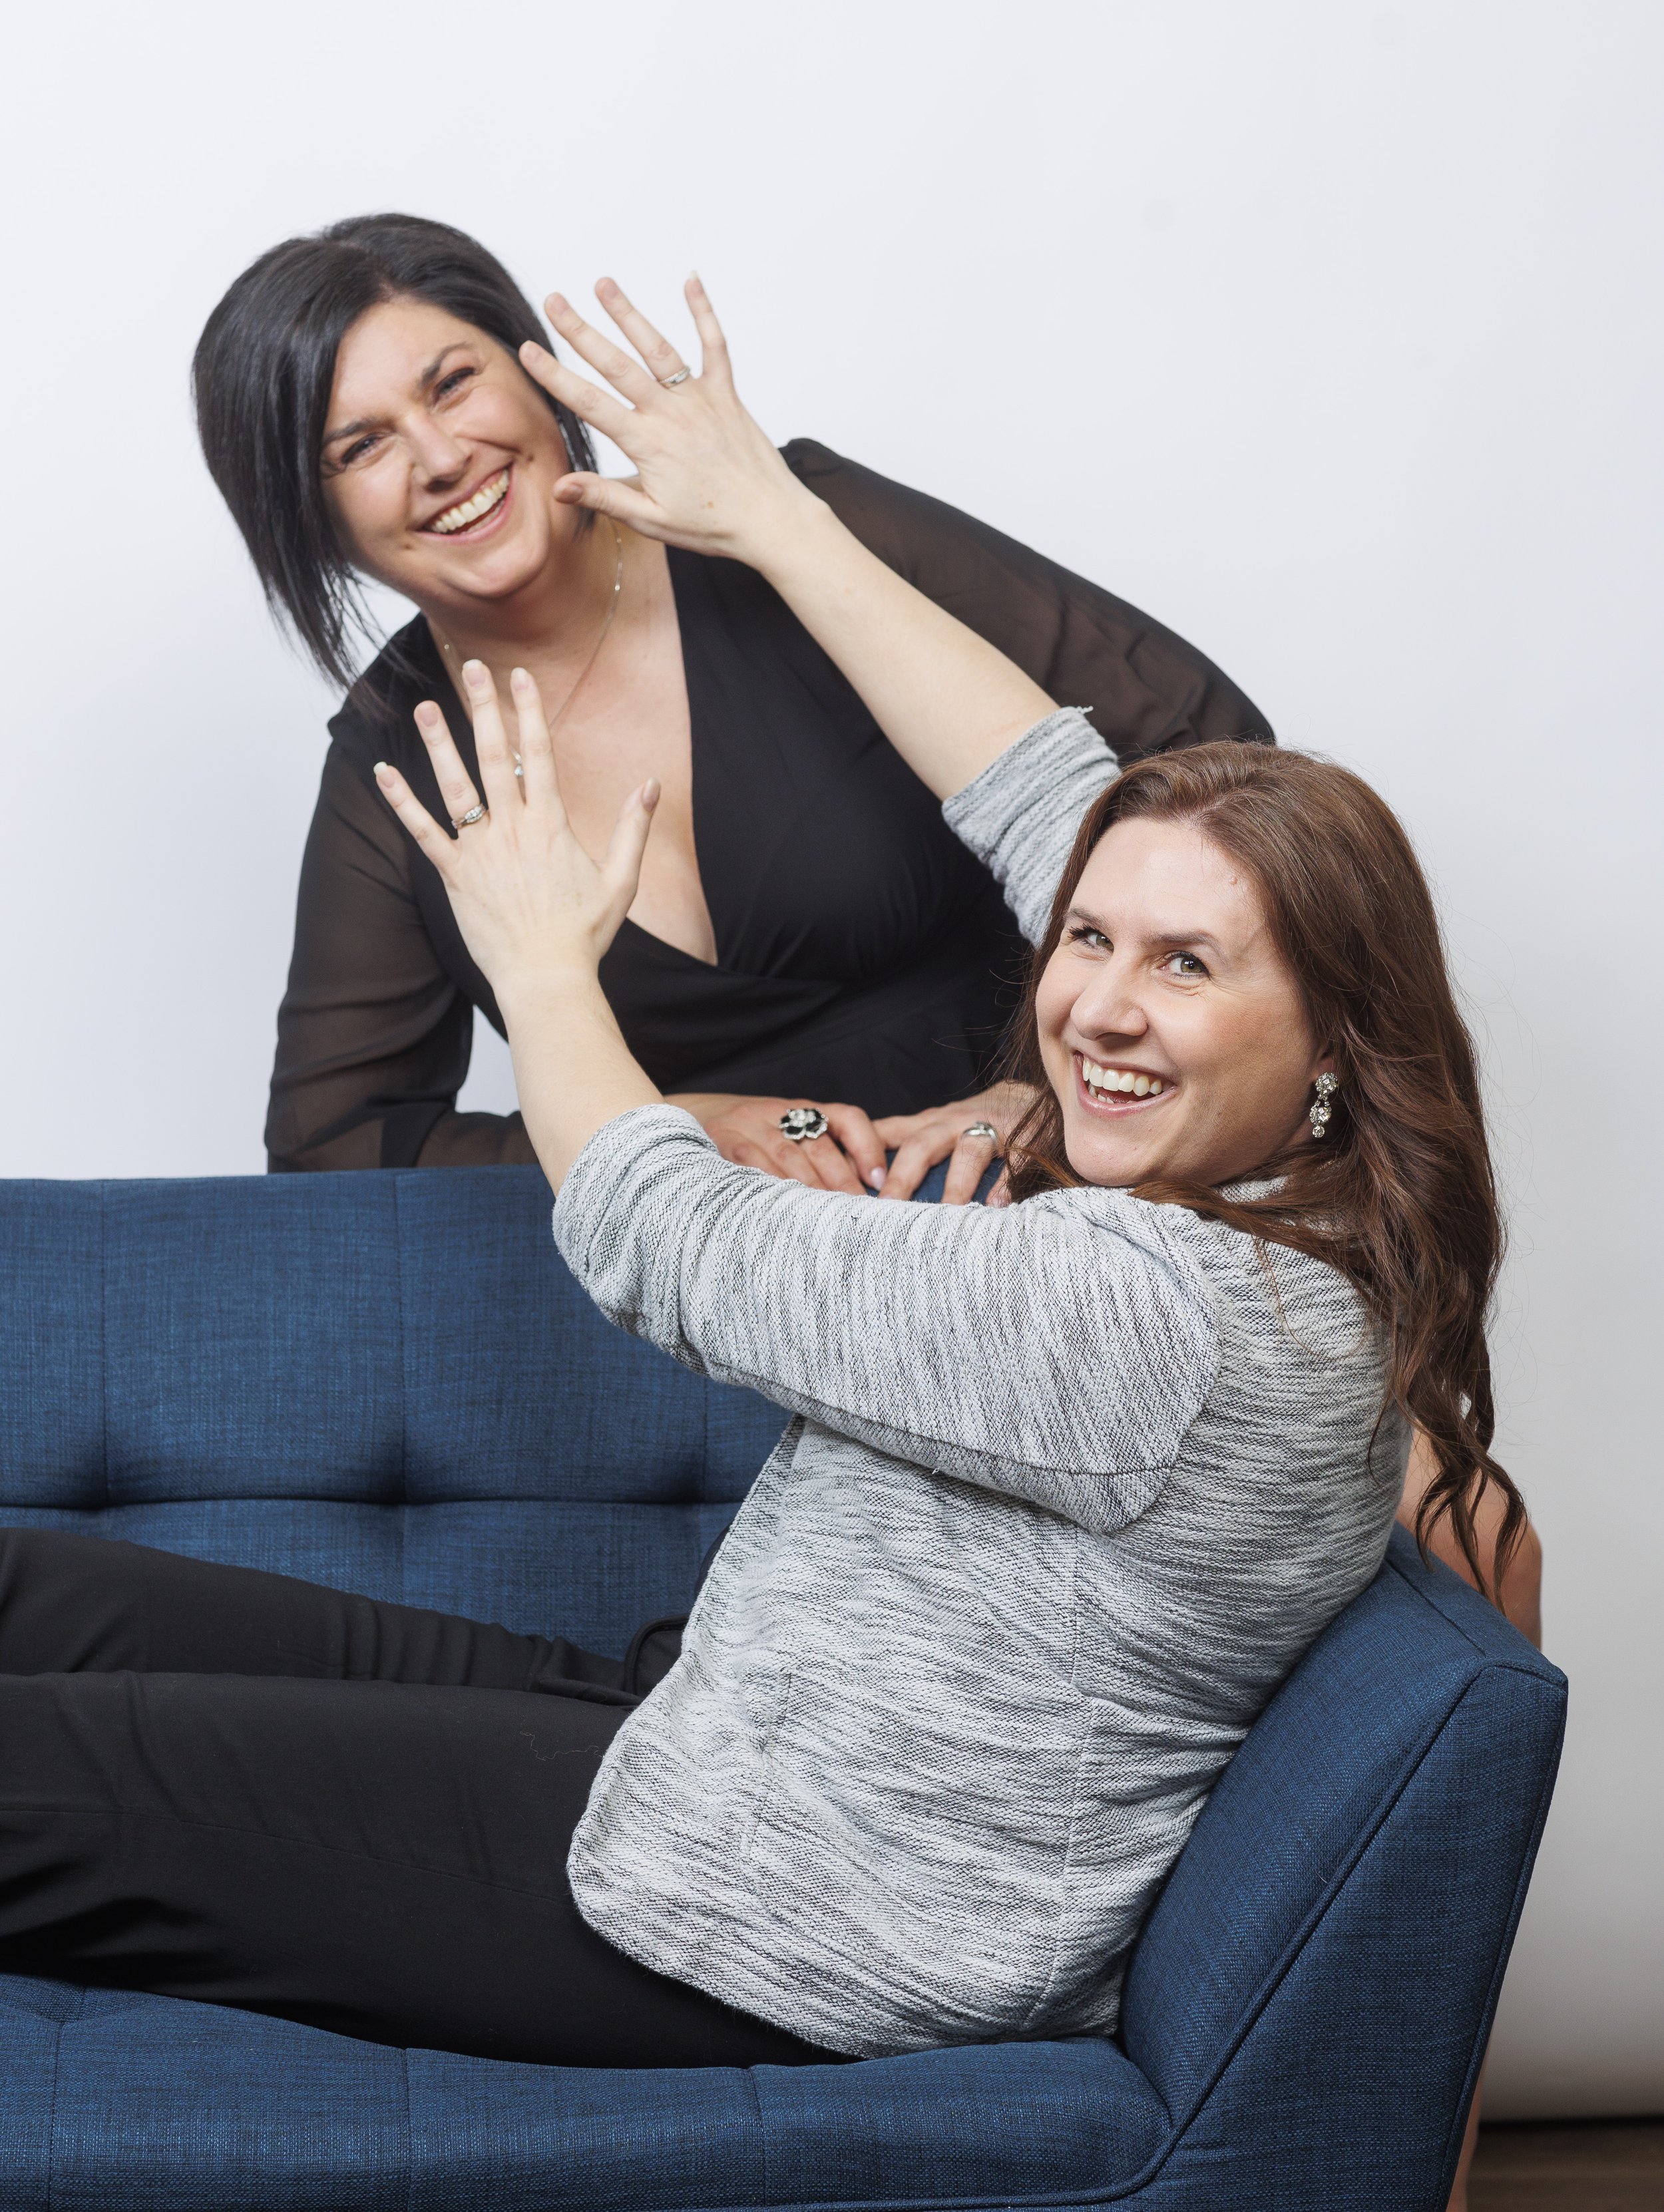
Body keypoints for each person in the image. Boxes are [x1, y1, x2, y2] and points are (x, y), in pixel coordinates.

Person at [0, 281, 1537, 2124]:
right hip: (716, 1742)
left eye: (1183, 966)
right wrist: (774, 517)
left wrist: (543, 966)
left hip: (767, 1909)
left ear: (1333, 1037)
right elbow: (1058, 798)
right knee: (37, 1597)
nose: (1098, 1007)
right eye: (1085, 943)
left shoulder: (1144, 1307)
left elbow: (668, 1239)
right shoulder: (1260, 1217)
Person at [192, 214, 1272, 1195]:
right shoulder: (397, 762)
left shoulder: (783, 520)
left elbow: (1218, 755)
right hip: (741, 1294)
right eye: (361, 446)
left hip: (1072, 1198)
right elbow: (337, 1148)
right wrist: (662, 1126)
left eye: (452, 385)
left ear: (534, 371)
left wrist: (1061, 1088)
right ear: (311, 519)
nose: (439, 458)